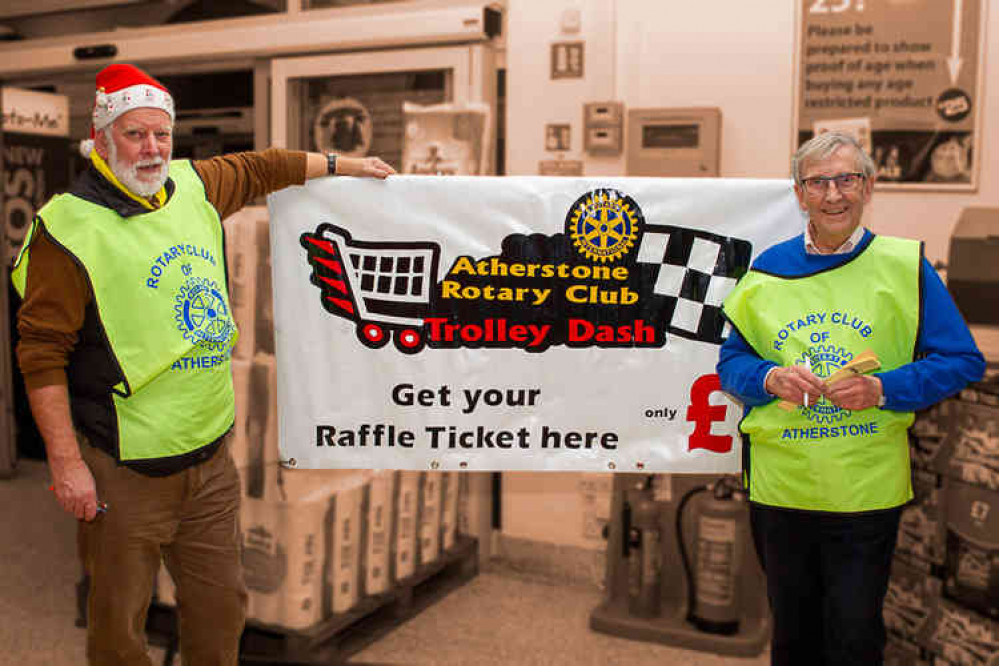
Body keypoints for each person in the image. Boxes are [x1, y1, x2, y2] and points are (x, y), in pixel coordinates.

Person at [12, 63, 394, 666]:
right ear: (102, 136)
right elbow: (40, 356)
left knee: (221, 611)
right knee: (118, 625)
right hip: (123, 467)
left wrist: (348, 167)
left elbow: (268, 166)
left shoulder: (194, 186)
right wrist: (65, 463)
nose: (152, 148)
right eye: (136, 134)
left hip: (210, 457)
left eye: (161, 134)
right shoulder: (68, 228)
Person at [717, 132, 984, 666]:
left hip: (863, 489)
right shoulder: (768, 269)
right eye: (819, 182)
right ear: (799, 193)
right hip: (781, 488)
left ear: (869, 186)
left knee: (854, 637)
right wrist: (769, 378)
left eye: (846, 179)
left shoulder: (905, 267)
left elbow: (961, 360)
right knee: (792, 636)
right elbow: (732, 364)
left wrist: (883, 388)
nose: (833, 194)